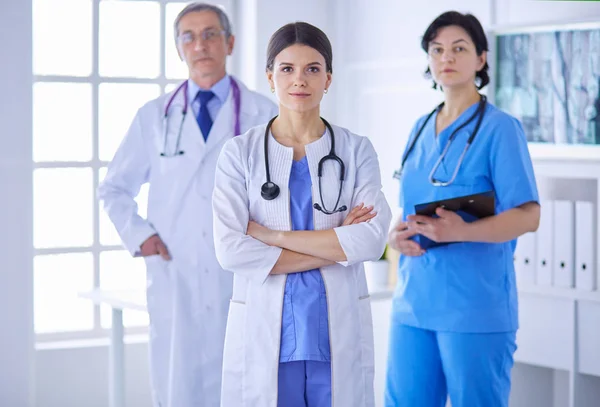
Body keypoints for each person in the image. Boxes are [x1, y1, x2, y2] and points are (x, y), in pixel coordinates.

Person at [98, 3, 277, 406]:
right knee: (178, 382)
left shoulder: (261, 114)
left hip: (240, 272)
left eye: (211, 34)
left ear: (229, 42)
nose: (201, 45)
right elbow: (113, 188)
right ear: (179, 48)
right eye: (189, 36)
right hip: (174, 270)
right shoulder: (153, 116)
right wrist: (140, 235)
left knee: (245, 381)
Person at [212, 21, 392, 407]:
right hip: (266, 329)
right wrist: (336, 246)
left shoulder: (356, 150)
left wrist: (272, 237)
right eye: (287, 69)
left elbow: (371, 239)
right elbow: (231, 251)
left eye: (312, 68)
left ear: (328, 78)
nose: (300, 80)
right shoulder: (239, 155)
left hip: (334, 328)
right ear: (270, 77)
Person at [385, 11, 540, 407]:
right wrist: (393, 238)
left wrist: (461, 232)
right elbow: (406, 207)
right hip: (412, 305)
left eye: (459, 48)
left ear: (481, 59)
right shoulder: (420, 127)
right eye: (437, 50)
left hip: (475, 309)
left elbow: (529, 215)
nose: (446, 58)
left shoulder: (500, 129)